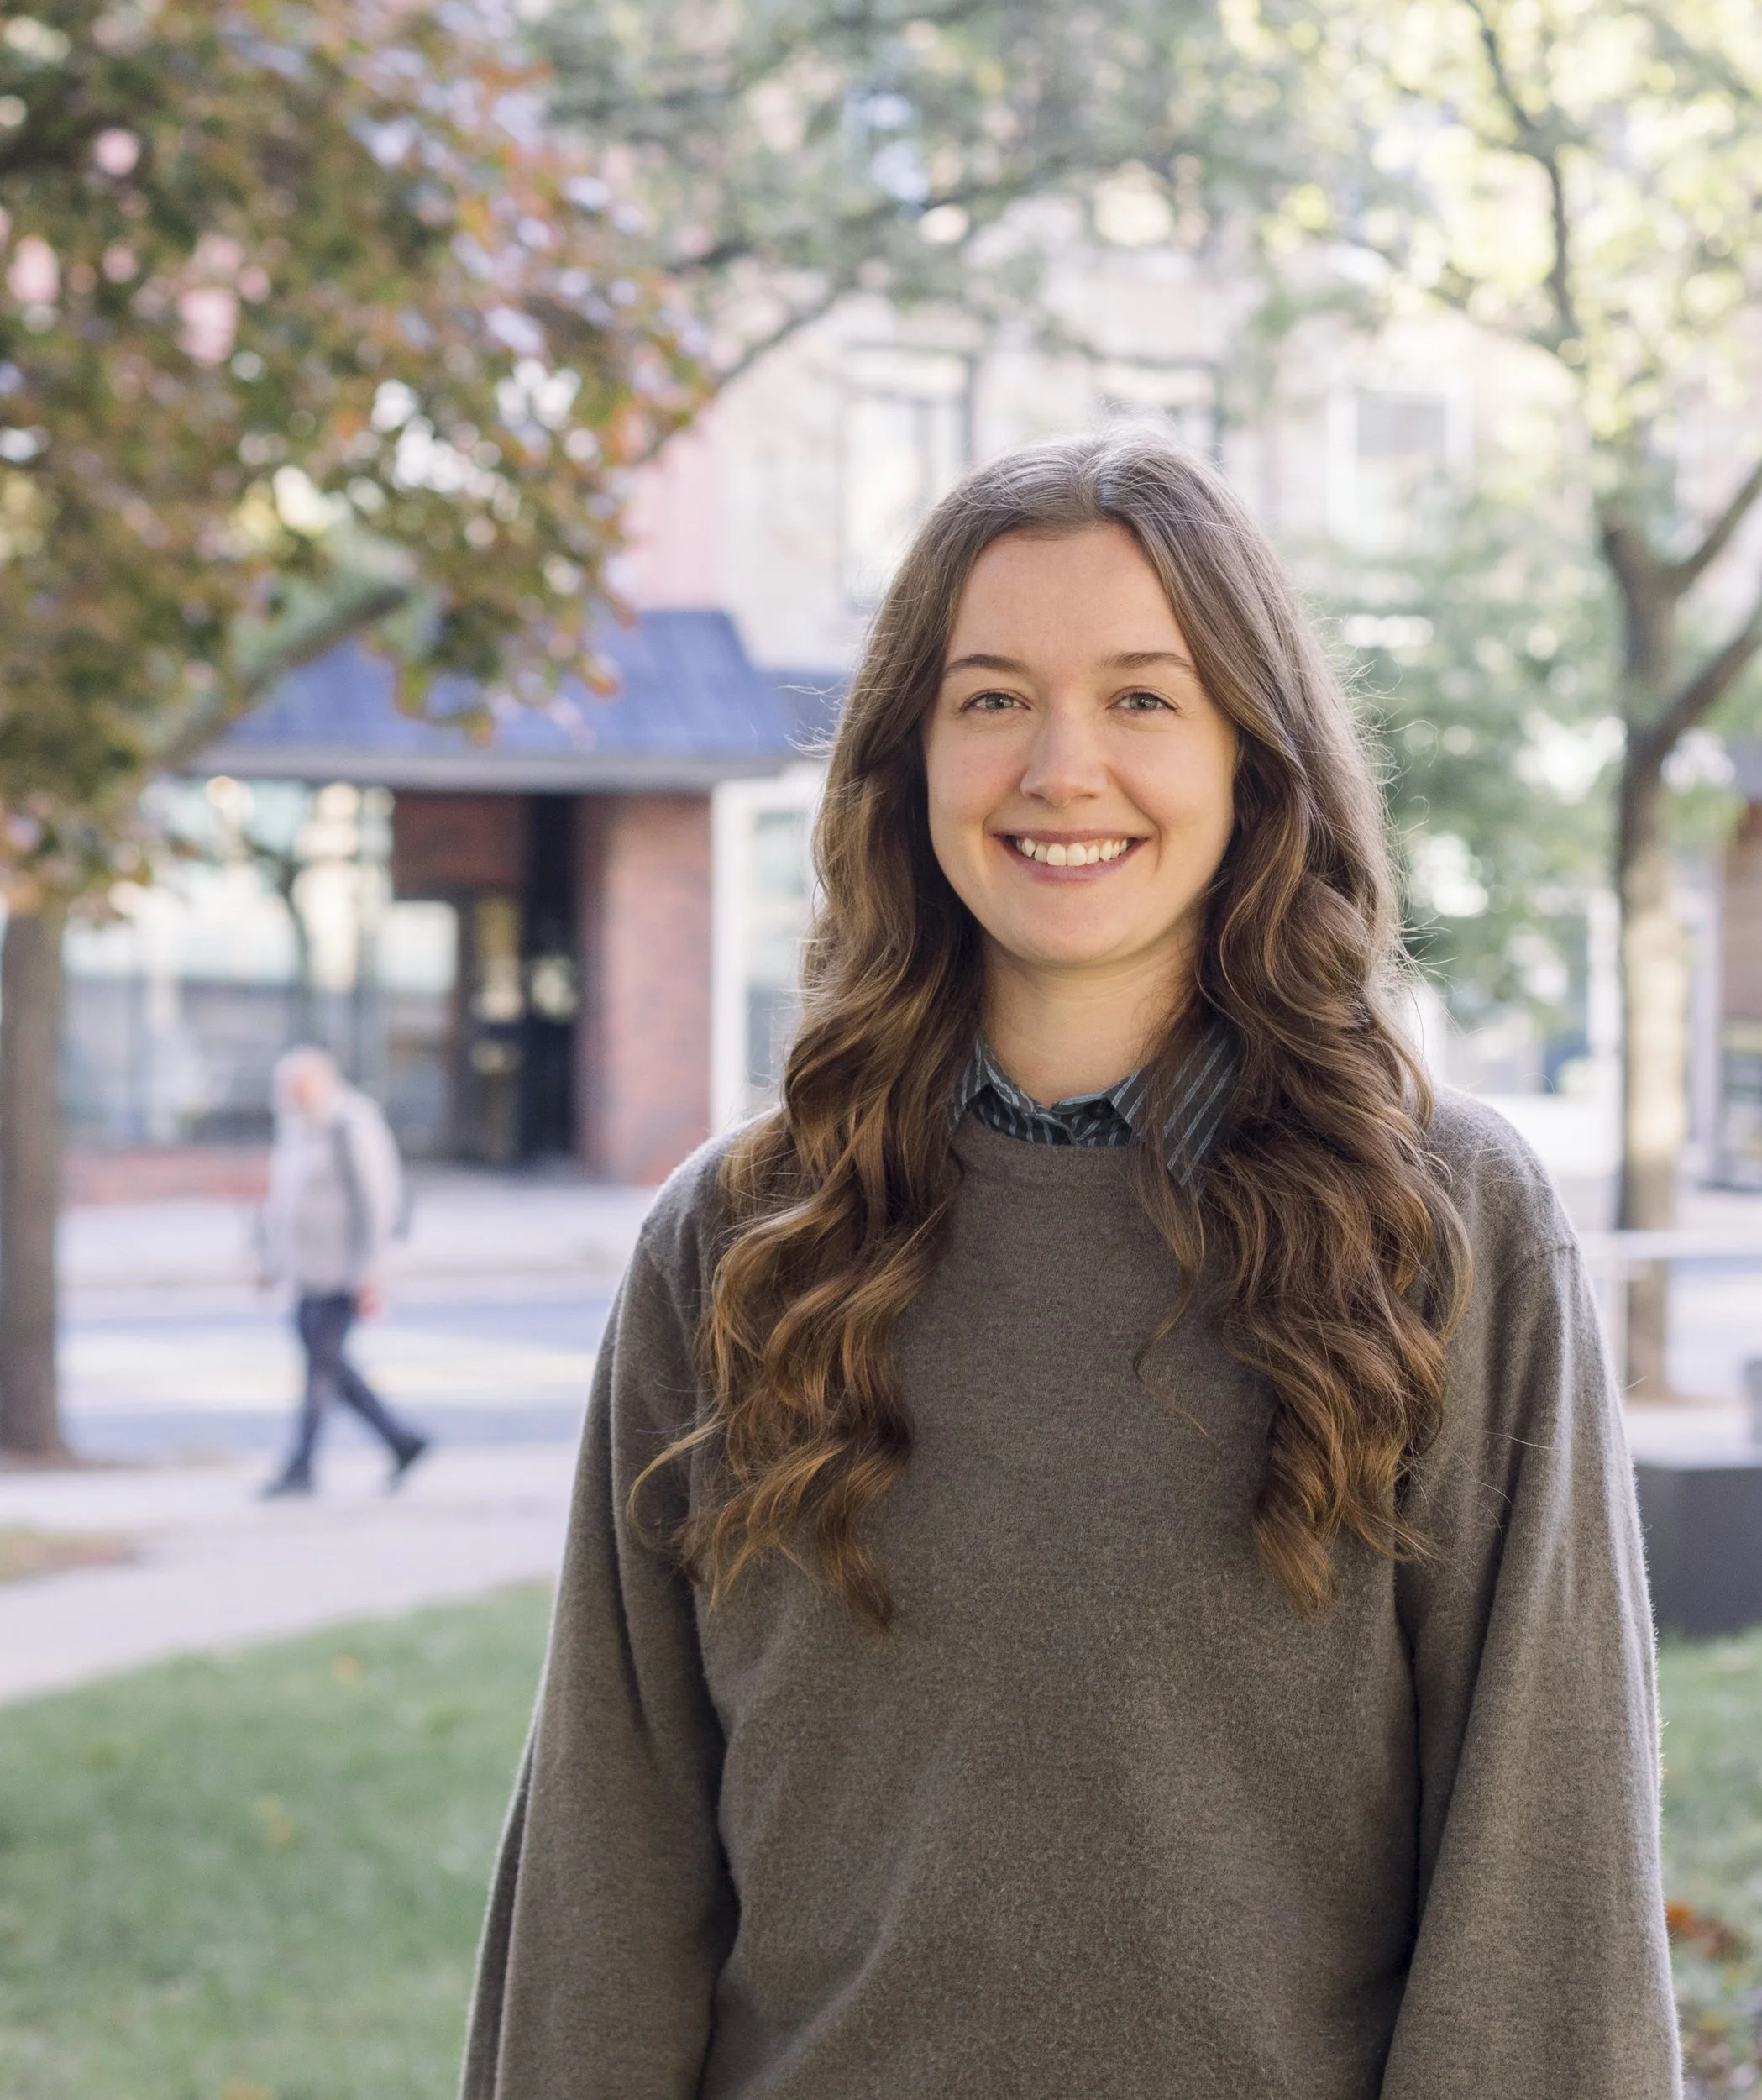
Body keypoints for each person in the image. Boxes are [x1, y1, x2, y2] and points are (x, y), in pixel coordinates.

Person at [464, 433, 1679, 2097]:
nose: (1059, 766)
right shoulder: (734, 1243)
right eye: (988, 698)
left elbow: (1546, 1889)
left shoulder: (1444, 1226)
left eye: (1140, 696)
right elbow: (609, 1861)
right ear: (907, 757)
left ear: (1254, 758)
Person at [258, 1045, 428, 1497]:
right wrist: (273, 1261)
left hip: (343, 1273)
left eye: (301, 1086)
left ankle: (300, 1468)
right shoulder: (297, 1129)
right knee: (332, 1369)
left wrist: (372, 1272)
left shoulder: (349, 1124)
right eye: (288, 1088)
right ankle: (402, 1441)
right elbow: (283, 1203)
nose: (292, 1096)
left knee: (320, 1371)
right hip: (307, 1273)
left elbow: (379, 1201)